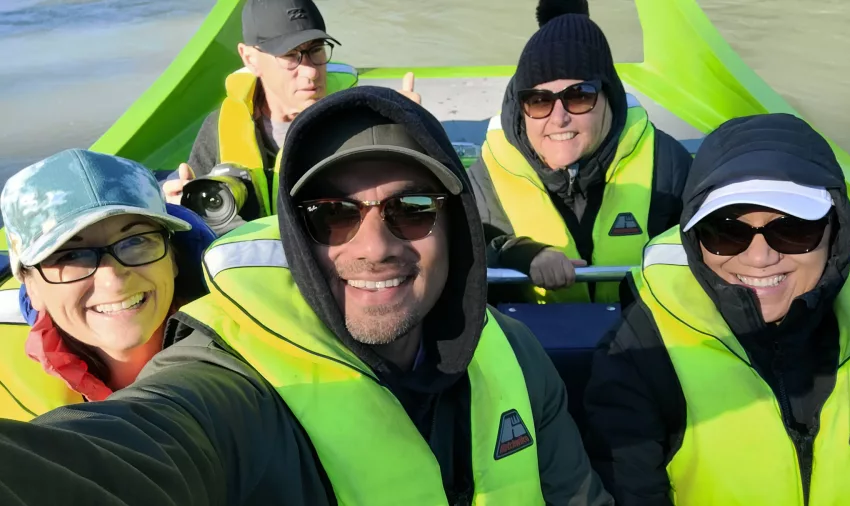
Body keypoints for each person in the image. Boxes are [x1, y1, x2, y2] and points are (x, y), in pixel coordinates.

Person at [0, 87, 611, 506]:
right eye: (330, 214)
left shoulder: (515, 354)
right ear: (294, 236)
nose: (374, 246)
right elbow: (131, 451)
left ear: (459, 227)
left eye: (414, 207)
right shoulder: (237, 382)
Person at [583, 113, 850, 505]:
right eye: (726, 232)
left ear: (837, 232)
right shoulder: (639, 353)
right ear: (694, 241)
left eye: (793, 229)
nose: (761, 257)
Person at [468, 0, 692, 304]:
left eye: (579, 95)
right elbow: (458, 249)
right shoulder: (485, 176)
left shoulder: (668, 165)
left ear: (609, 97)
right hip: (529, 343)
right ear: (521, 108)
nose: (558, 118)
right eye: (538, 100)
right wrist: (521, 254)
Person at [0, 149, 216, 421]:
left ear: (173, 258)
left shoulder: (247, 332)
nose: (112, 278)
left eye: (136, 241)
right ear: (32, 288)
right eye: (71, 255)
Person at [162, 0, 420, 218]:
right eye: (290, 55)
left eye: (316, 50)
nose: (310, 72)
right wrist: (176, 207)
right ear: (250, 58)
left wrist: (408, 134)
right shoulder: (220, 127)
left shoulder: (360, 120)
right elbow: (198, 211)